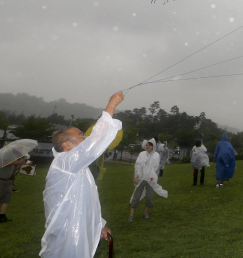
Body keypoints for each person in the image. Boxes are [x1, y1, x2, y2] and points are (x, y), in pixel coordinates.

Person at [40, 91, 124, 258]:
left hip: (77, 231)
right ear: (67, 145)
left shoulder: (78, 168)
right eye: (81, 136)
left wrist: (99, 225)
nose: (85, 138)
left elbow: (87, 201)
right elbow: (95, 142)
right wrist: (111, 105)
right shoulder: (64, 163)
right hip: (66, 235)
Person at [129, 139, 168, 222]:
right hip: (141, 178)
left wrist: (152, 176)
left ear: (153, 146)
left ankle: (145, 212)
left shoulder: (156, 155)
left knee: (149, 197)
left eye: (149, 145)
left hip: (150, 179)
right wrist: (137, 177)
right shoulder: (142, 154)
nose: (148, 147)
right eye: (146, 145)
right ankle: (131, 214)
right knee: (136, 196)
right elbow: (138, 166)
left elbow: (155, 167)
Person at [0, 157, 26, 223]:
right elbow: (4, 163)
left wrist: (22, 164)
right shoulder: (2, 156)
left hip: (8, 181)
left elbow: (14, 169)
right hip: (1, 180)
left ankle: (2, 216)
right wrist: (18, 162)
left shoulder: (12, 159)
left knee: (6, 199)